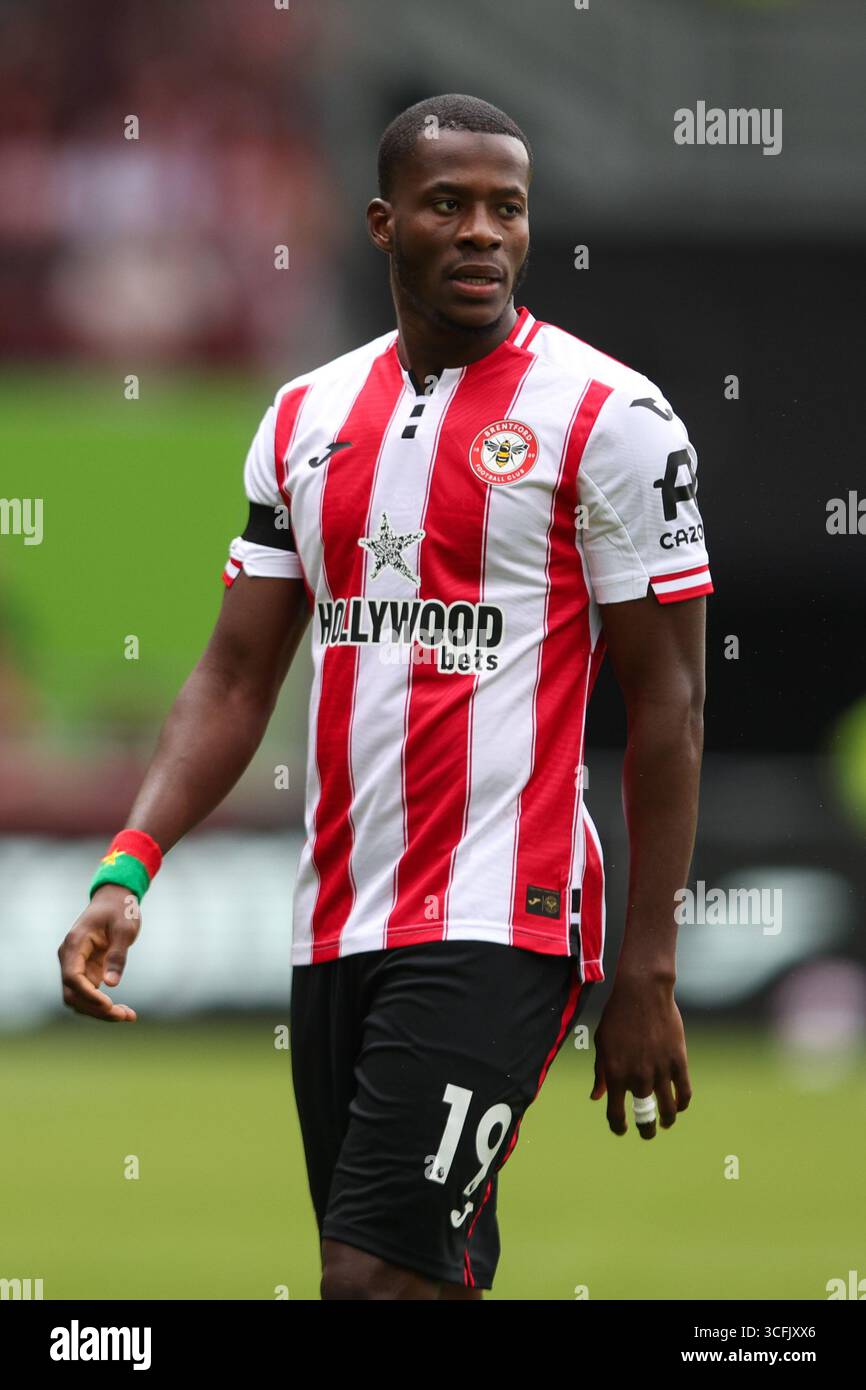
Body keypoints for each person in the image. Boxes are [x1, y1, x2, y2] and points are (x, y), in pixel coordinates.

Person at [58, 93, 712, 1301]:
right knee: (406, 1276)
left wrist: (648, 966)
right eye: (447, 205)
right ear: (380, 222)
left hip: (500, 916)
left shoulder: (608, 416)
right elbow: (235, 673)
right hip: (338, 919)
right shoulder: (304, 418)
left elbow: (667, 702)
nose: (480, 233)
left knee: (372, 1279)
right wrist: (127, 866)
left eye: (505, 210)